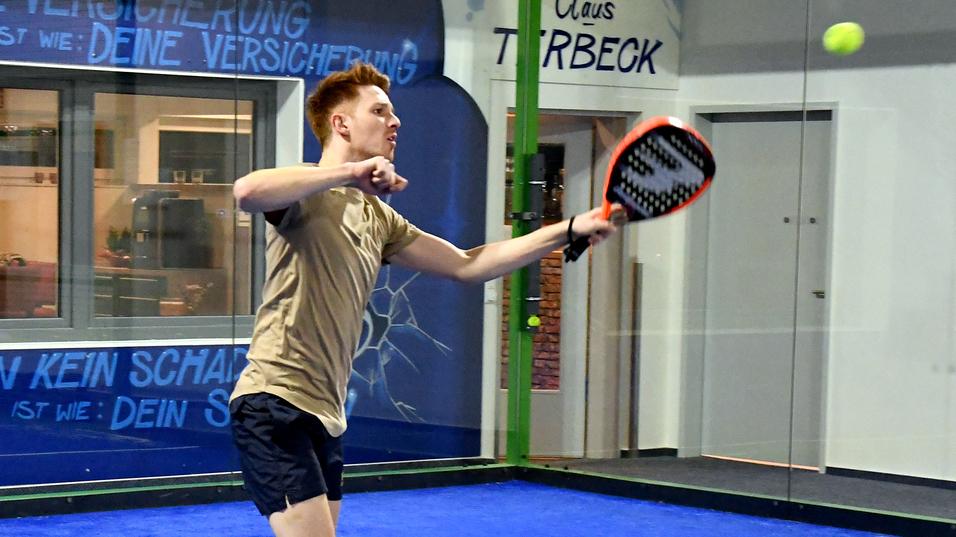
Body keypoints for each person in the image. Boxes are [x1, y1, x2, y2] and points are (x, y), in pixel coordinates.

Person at [229, 61, 621, 537]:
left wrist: (568, 228)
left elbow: (468, 264)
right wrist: (351, 171)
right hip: (273, 401)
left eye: (394, 113)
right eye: (380, 111)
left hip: (324, 412)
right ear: (341, 123)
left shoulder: (378, 217)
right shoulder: (306, 193)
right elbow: (247, 191)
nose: (395, 122)